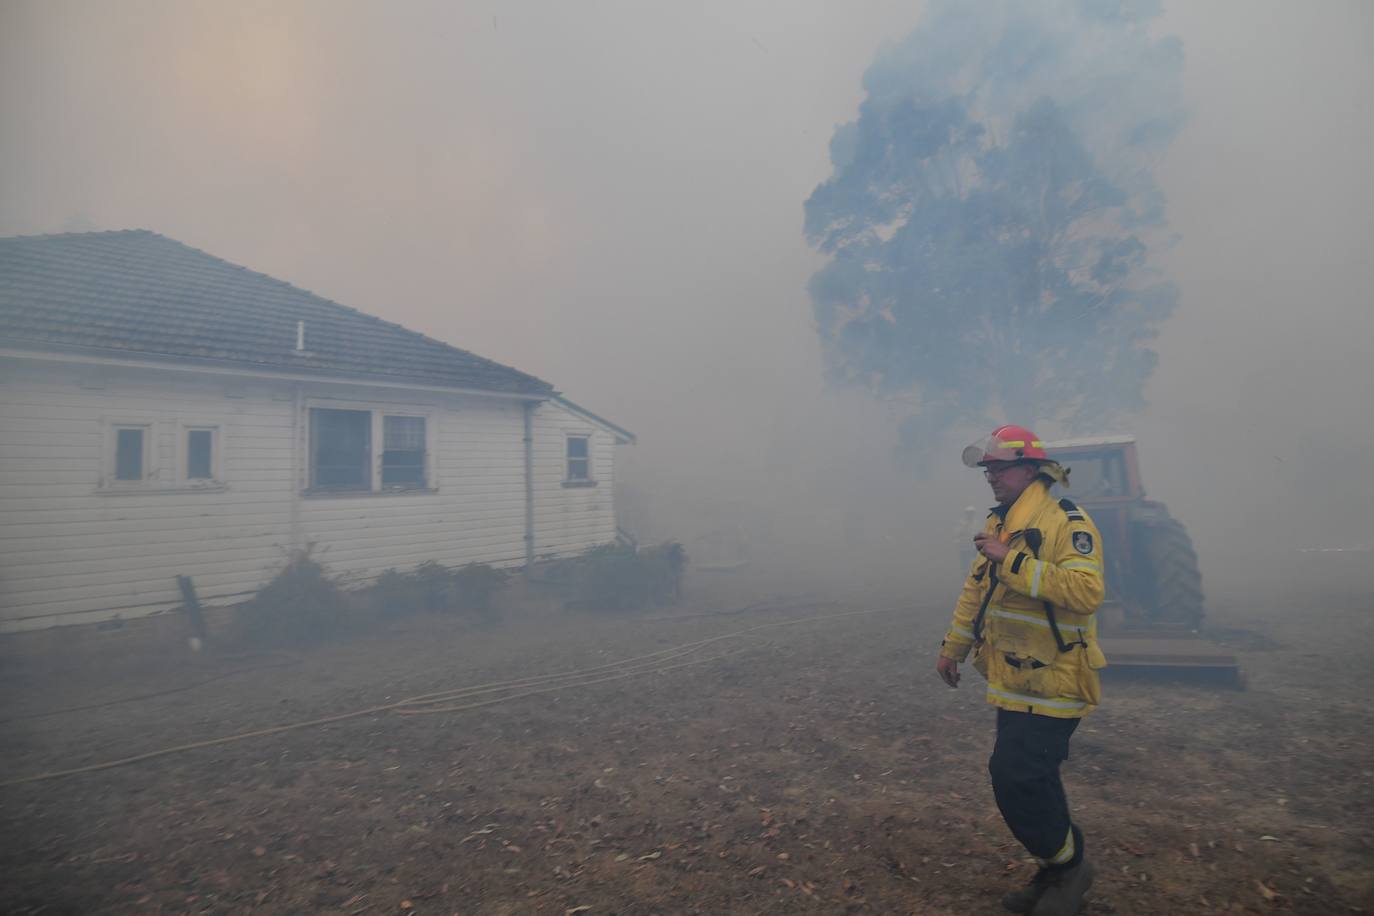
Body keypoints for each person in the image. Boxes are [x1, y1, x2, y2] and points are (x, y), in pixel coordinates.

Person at [935, 425, 1108, 916]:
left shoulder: (1065, 521)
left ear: (1031, 469)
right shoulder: (1001, 522)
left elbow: (1085, 592)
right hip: (1014, 681)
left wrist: (1011, 560)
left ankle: (1070, 870)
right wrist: (953, 646)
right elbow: (976, 591)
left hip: (1056, 680)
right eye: (988, 469)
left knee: (1014, 777)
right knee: (1035, 778)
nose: (991, 477)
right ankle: (1055, 873)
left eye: (1000, 467)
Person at [956, 505, 982, 571]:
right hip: (964, 547)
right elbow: (957, 535)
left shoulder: (977, 523)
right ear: (966, 514)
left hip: (974, 547)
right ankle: (965, 574)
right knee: (964, 563)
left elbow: (980, 533)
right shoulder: (961, 523)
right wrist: (959, 543)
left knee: (976, 562)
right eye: (969, 513)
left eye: (971, 513)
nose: (970, 514)